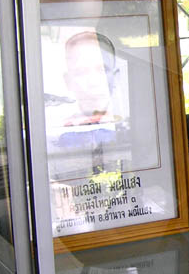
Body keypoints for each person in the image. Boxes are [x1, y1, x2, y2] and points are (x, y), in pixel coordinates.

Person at [47, 31, 130, 178]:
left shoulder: (131, 134)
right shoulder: (53, 142)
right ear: (68, 81)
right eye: (81, 72)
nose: (93, 81)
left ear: (115, 76)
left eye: (102, 70)